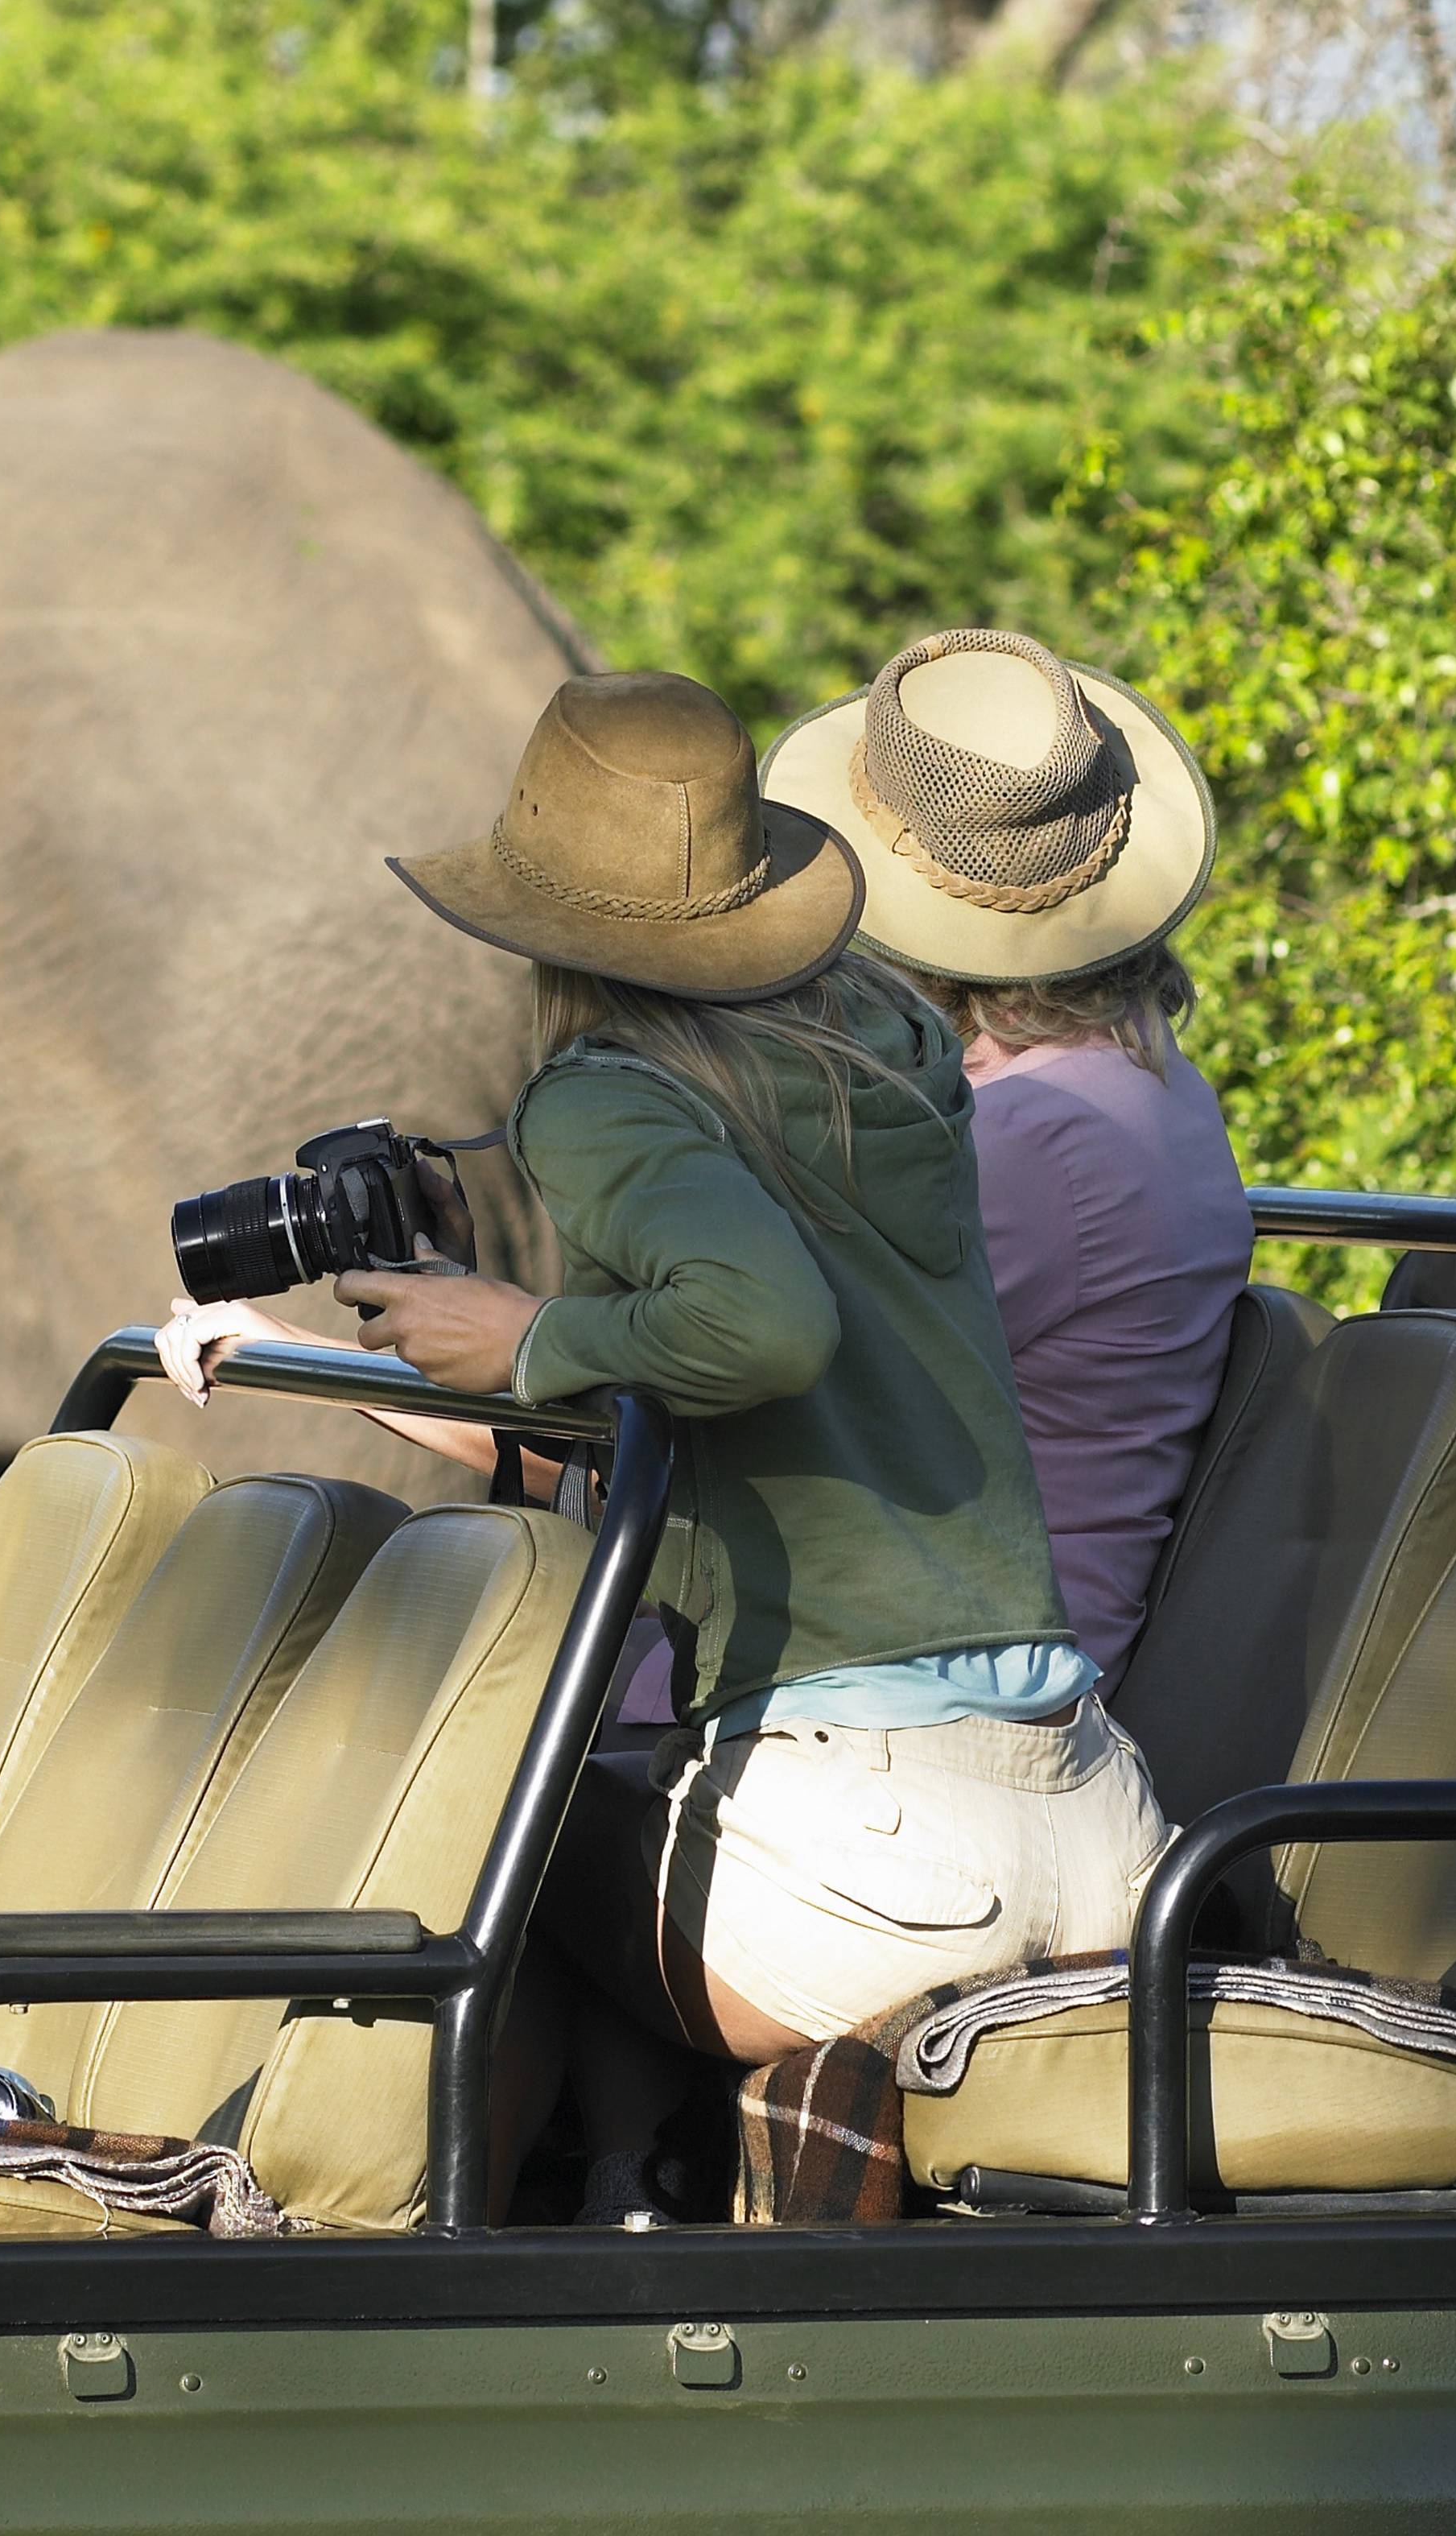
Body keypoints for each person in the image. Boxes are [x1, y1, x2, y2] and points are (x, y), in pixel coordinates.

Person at [327, 670, 1169, 2222]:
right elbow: (781, 1301)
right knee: (598, 1808)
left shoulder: (603, 1090)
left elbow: (766, 1325)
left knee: (478, 1824)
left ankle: (459, 2261)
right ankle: (654, 2188)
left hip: (870, 1875)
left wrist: (525, 1341)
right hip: (1094, 1821)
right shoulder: (889, 1050)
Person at [762, 626, 1248, 1671]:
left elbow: (762, 1404)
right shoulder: (1129, 1077)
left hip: (924, 1679)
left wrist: (482, 1353)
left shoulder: (1031, 1140)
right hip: (936, 1637)